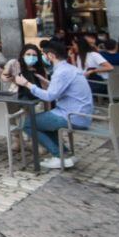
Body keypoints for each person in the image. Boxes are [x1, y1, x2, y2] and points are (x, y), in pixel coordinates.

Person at [14, 40, 94, 169]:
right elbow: (61, 90)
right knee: (43, 123)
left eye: (44, 54)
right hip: (80, 114)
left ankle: (59, 156)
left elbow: (50, 96)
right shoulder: (69, 68)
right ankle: (65, 153)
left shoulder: (61, 72)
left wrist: (26, 84)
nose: (42, 57)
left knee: (27, 124)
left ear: (51, 56)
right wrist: (47, 82)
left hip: (71, 116)